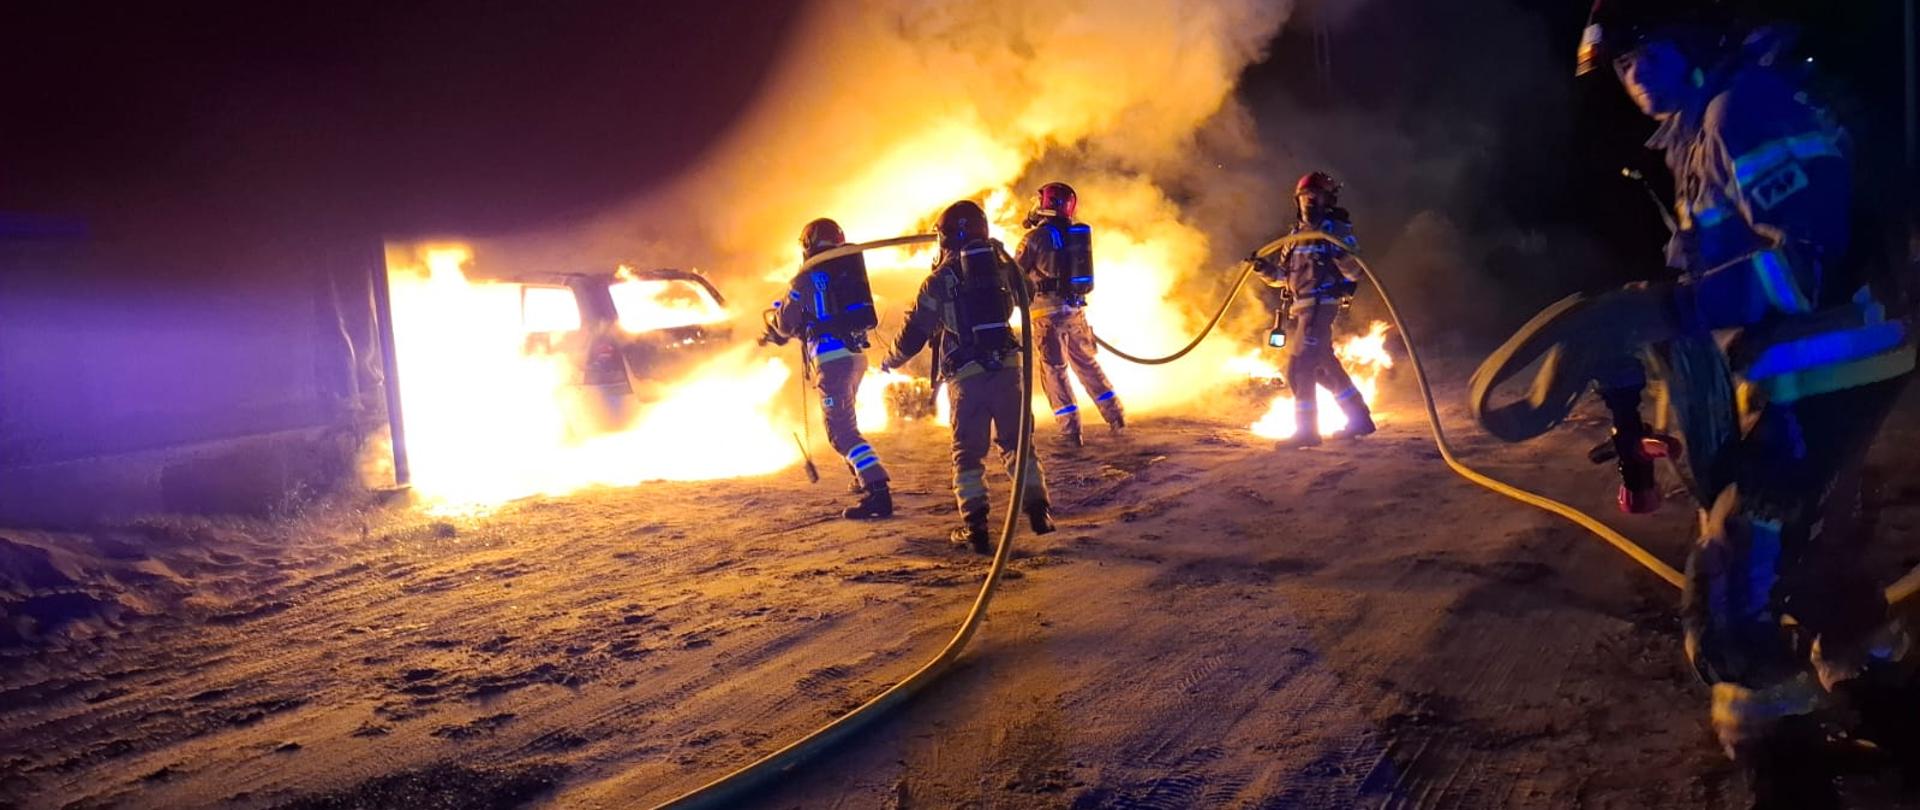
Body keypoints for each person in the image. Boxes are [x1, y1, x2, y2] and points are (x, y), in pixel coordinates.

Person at [1575, 1, 1915, 802]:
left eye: (1641, 53)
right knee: (1814, 558)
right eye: (1620, 67)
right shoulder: (1703, 129)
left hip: (1827, 365)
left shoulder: (1740, 109)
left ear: (1690, 38)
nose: (1632, 78)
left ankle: (1785, 768)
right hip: (1819, 370)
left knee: (1735, 574)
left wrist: (1675, 307)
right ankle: (1893, 711)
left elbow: (1805, 266)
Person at [880, 200, 1055, 553]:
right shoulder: (1002, 266)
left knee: (967, 455)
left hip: (967, 376)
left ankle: (975, 527)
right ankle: (1039, 510)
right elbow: (1029, 293)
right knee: (1018, 444)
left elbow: (915, 331)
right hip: (1007, 369)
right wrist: (1002, 262)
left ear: (944, 238)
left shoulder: (939, 280)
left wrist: (891, 361)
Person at [761, 217, 892, 519]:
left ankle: (878, 490)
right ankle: (863, 479)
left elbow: (786, 322)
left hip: (832, 361)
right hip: (855, 357)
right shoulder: (847, 269)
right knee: (848, 420)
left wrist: (776, 328)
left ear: (807, 244)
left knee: (841, 432)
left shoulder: (804, 277)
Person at [1254, 171, 1376, 448]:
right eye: (1305, 197)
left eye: (1316, 197)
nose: (1310, 203)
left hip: (1321, 307)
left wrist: (1341, 252)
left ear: (1327, 200)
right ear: (1297, 201)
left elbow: (1356, 271)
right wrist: (1264, 270)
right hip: (1302, 309)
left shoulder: (1337, 231)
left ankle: (1307, 431)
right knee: (1324, 368)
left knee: (1299, 368)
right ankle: (1359, 418)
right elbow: (1284, 278)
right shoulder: (1294, 237)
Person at [1014, 181, 1124, 447]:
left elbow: (1015, 273)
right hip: (1075, 312)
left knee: (1055, 372)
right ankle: (1116, 418)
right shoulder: (1076, 234)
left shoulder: (1034, 238)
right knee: (1088, 365)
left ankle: (1071, 431)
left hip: (1045, 316)